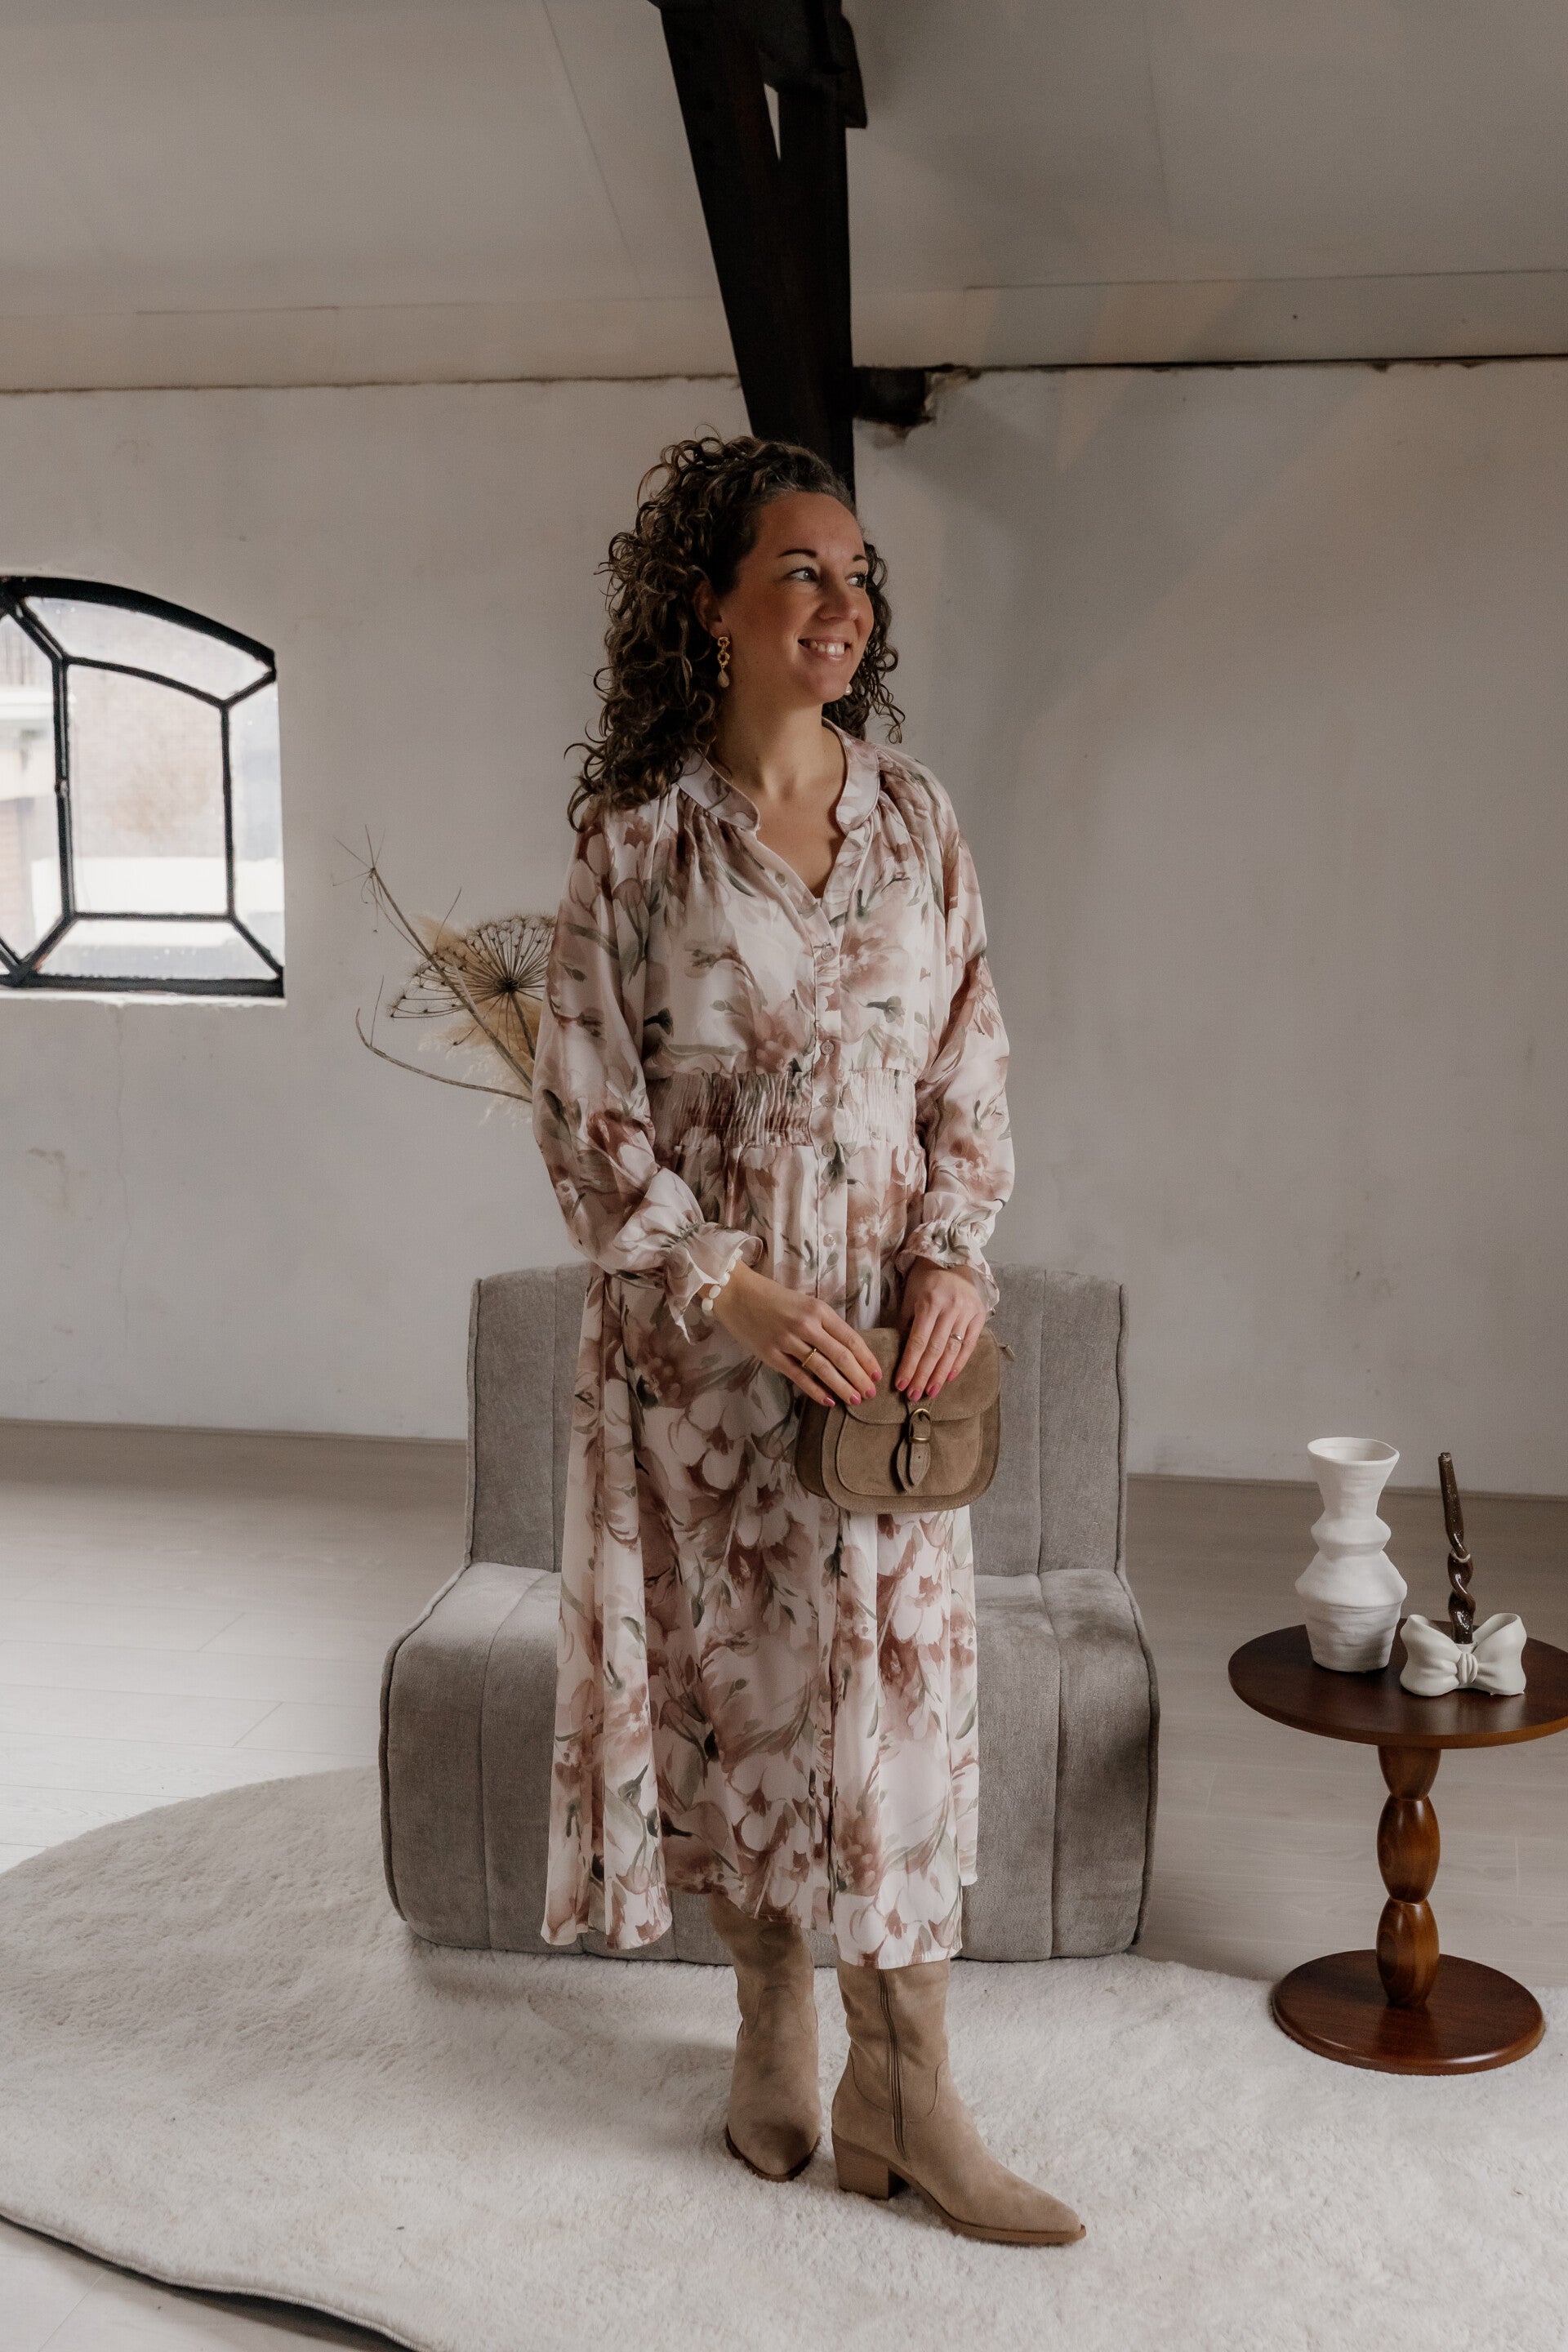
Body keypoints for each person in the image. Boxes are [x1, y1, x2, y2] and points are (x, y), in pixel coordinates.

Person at [531, 434, 1082, 2248]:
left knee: (905, 1706)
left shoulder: (917, 822)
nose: (844, 607)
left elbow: (971, 1060)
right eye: (802, 572)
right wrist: (734, 1292)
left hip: (894, 1371)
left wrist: (953, 1258)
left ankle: (908, 2087)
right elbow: (585, 1116)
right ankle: (770, 2021)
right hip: (713, 1364)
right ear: (710, 604)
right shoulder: (637, 845)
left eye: (859, 578)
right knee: (747, 1696)